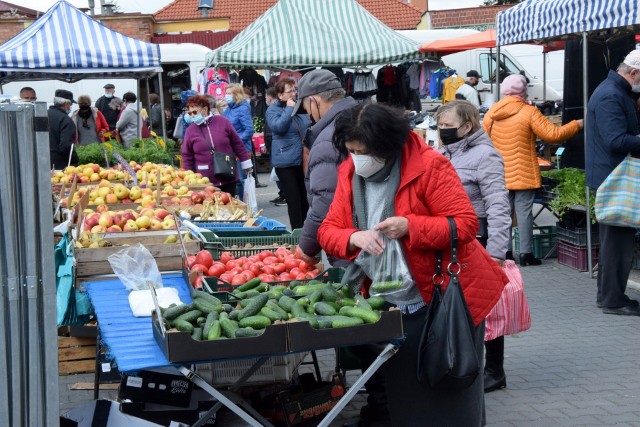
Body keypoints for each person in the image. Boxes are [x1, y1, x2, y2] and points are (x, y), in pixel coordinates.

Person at [317, 103, 507, 426]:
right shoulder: (350, 174)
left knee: (451, 384)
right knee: (406, 395)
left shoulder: (429, 166)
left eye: (361, 151)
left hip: (441, 299)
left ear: (386, 146)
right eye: (350, 151)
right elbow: (327, 231)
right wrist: (354, 238)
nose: (356, 158)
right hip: (391, 305)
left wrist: (411, 227)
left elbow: (465, 225)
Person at [436, 100, 512, 393]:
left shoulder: (486, 156)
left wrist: (496, 252)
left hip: (478, 241)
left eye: (448, 126)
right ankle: (463, 364)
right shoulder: (443, 153)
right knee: (459, 307)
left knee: (484, 305)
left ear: (467, 126)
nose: (443, 131)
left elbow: (498, 206)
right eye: (440, 126)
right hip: (450, 240)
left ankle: (494, 370)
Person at [483, 74, 583, 266]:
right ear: (523, 91)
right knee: (524, 213)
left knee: (503, 214)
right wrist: (576, 125)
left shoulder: (491, 113)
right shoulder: (529, 112)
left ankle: (505, 253)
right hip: (523, 170)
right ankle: (527, 255)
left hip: (499, 172)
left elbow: (485, 141)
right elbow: (553, 135)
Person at [586, 49, 640, 316]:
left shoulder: (613, 90)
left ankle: (609, 296)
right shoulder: (611, 95)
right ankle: (613, 300)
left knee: (614, 244)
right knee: (617, 245)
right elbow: (616, 140)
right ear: (633, 73)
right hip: (614, 178)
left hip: (612, 176)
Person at [292, 69, 357, 266]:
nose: (309, 116)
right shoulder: (359, 118)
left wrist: (306, 247)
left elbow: (325, 200)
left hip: (348, 240)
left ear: (315, 101)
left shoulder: (328, 138)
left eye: (306, 108)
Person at [181, 95, 252, 198]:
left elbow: (237, 143)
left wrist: (246, 163)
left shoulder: (223, 122)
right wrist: (188, 176)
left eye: (195, 112)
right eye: (190, 113)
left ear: (205, 109)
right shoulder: (190, 130)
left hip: (227, 174)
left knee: (228, 207)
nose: (192, 116)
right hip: (204, 179)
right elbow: (187, 155)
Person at [266, 78, 311, 229]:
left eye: (294, 90)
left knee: (305, 197)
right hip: (285, 161)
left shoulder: (301, 107)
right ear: (280, 95)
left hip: (302, 159)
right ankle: (297, 232)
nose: (294, 93)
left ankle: (303, 227)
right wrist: (289, 109)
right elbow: (278, 127)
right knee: (294, 198)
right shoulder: (273, 109)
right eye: (290, 91)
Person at [223, 83, 255, 197]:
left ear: (236, 95)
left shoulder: (242, 108)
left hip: (242, 149)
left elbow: (249, 130)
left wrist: (235, 142)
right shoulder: (228, 109)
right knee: (234, 179)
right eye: (226, 93)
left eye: (229, 94)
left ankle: (245, 204)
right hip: (230, 150)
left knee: (242, 180)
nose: (226, 96)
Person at [264, 87, 287, 205]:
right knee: (277, 172)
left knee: (279, 172)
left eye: (266, 96)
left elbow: (272, 129)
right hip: (273, 144)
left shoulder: (274, 110)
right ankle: (282, 194)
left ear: (270, 97)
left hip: (276, 145)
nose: (265, 99)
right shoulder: (273, 110)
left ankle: (284, 195)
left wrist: (267, 144)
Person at [48, 89, 78, 170]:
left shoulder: (44, 114)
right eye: (70, 104)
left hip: (43, 161)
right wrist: (75, 160)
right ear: (66, 104)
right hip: (59, 164)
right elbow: (66, 145)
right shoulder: (65, 119)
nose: (70, 107)